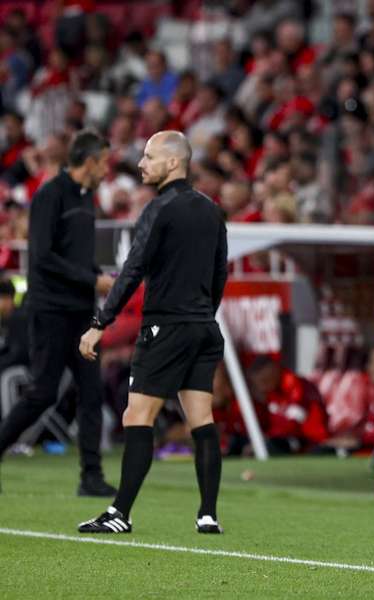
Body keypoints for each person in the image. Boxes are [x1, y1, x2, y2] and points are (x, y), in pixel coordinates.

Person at [76, 130, 228, 534]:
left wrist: (98, 324)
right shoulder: (212, 211)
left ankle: (119, 513)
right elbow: (219, 273)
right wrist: (200, 316)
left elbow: (132, 271)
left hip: (166, 326)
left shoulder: (159, 209)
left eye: (148, 156)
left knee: (136, 415)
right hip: (204, 328)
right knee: (201, 418)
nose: (141, 164)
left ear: (173, 163)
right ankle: (208, 513)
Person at [0, 130, 116, 497]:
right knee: (42, 393)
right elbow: (43, 257)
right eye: (104, 163)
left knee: (91, 392)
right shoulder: (50, 195)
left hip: (81, 311)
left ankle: (91, 476)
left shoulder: (87, 198)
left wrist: (95, 276)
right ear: (91, 161)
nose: (107, 170)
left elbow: (74, 256)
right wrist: (92, 279)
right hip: (50, 310)